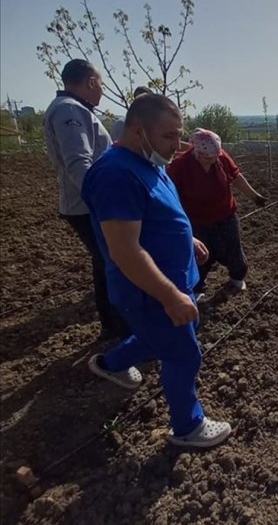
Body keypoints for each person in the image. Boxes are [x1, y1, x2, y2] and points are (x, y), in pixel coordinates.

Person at [81, 95, 231, 449]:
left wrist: (187, 237)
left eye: (180, 135)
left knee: (158, 337)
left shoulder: (150, 163)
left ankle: (111, 363)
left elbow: (157, 215)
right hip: (149, 292)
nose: (178, 146)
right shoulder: (115, 174)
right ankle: (187, 427)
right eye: (169, 136)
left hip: (172, 282)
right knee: (184, 354)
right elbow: (125, 250)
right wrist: (170, 296)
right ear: (138, 131)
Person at [43, 58, 128, 339]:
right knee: (112, 262)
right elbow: (79, 164)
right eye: (101, 84)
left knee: (106, 261)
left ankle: (114, 323)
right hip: (88, 205)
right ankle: (116, 327)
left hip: (91, 202)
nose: (101, 91)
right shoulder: (69, 111)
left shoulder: (75, 109)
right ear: (91, 82)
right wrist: (105, 202)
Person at [168, 129, 266, 298]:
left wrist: (255, 197)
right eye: (208, 157)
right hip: (197, 220)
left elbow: (235, 177)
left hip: (225, 215)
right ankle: (198, 287)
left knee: (233, 249)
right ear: (196, 152)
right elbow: (170, 195)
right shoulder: (180, 167)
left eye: (215, 156)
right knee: (200, 256)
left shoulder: (220, 158)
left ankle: (237, 278)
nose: (213, 159)